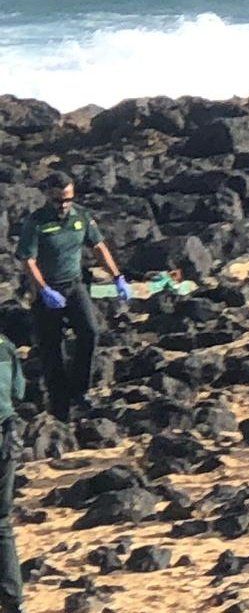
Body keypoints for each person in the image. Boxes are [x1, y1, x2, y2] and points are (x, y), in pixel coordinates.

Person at [17, 172, 130, 421]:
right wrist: (44, 290)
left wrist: (117, 276)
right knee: (52, 349)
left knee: (90, 332)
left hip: (74, 285)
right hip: (46, 291)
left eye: (68, 198)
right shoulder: (36, 223)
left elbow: (98, 246)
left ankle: (80, 391)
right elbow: (28, 260)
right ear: (48, 196)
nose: (64, 205)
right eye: (59, 200)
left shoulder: (81, 216)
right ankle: (59, 406)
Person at [0, 334, 25, 613]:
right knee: (2, 524)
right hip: (7, 439)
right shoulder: (5, 344)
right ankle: (13, 601)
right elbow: (18, 392)